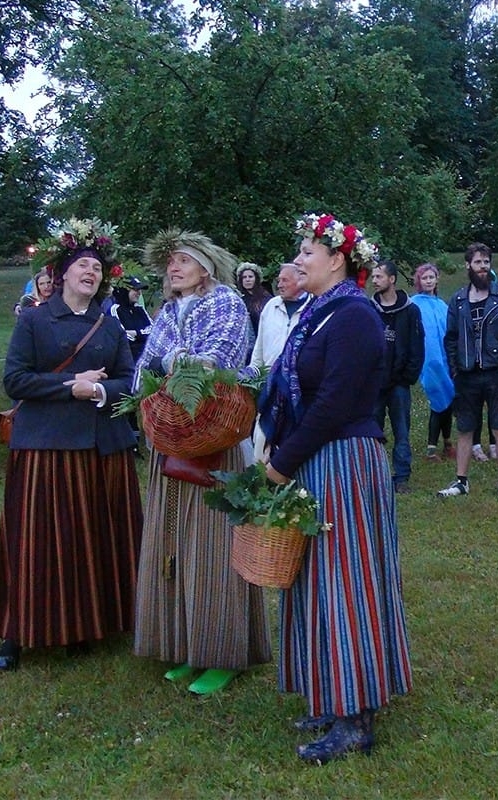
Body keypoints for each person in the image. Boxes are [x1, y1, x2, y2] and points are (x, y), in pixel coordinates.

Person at [260, 212, 411, 764]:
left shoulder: (355, 316)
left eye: (306, 252)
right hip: (317, 460)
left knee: (347, 582)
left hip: (345, 459)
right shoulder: (317, 314)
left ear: (337, 259)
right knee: (317, 580)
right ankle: (331, 693)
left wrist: (283, 462)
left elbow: (337, 403)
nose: (298, 260)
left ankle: (356, 717)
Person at [0, 218, 142, 671]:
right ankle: (19, 630)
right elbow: (14, 380)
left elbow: (127, 379)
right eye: (83, 266)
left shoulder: (108, 327)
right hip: (45, 447)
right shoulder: (35, 320)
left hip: (99, 447)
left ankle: (86, 624)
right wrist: (69, 386)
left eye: (96, 267)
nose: (90, 273)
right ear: (63, 274)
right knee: (35, 539)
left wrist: (97, 393)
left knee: (91, 538)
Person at [132, 229, 270, 695]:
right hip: (171, 437)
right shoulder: (168, 310)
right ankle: (184, 645)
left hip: (215, 438)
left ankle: (223, 653)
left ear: (206, 268)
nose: (174, 268)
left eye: (184, 261)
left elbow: (214, 364)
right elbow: (145, 369)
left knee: (213, 545)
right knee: (172, 540)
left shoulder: (227, 303)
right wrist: (152, 386)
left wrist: (170, 361)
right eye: (170, 262)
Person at [437, 243, 498, 501]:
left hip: (496, 373)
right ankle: (461, 481)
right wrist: (455, 369)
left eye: (486, 262)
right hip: (466, 374)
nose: (483, 267)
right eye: (478, 262)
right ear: (468, 266)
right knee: (465, 428)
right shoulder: (459, 300)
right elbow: (450, 338)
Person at [369, 260, 424, 494]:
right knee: (373, 431)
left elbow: (416, 346)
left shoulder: (410, 311)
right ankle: (375, 475)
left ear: (392, 279)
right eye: (374, 276)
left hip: (399, 383)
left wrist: (407, 377)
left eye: (379, 276)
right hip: (374, 383)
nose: (375, 281)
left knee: (402, 430)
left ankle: (401, 476)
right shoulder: (369, 309)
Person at [250, 263, 309, 461]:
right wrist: (253, 373)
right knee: (261, 441)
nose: (279, 284)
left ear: (300, 281)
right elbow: (259, 345)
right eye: (278, 280)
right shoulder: (271, 305)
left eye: (285, 280)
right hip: (268, 387)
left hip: (297, 390)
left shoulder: (312, 308)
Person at [409, 263, 455, 461]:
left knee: (449, 399)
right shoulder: (414, 304)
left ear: (437, 280)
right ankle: (431, 449)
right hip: (429, 360)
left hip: (446, 358)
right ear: (419, 281)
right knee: (438, 400)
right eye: (424, 278)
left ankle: (447, 443)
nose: (428, 281)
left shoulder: (442, 305)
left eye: (431, 277)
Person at [109, 276, 153, 364]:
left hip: (146, 356)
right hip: (127, 359)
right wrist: (143, 335)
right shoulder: (115, 310)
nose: (139, 293)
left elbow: (153, 331)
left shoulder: (139, 309)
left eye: (140, 290)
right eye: (135, 290)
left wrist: (137, 333)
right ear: (124, 290)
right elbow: (123, 336)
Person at [236, 262, 272, 339]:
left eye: (250, 277)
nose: (247, 280)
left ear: (256, 278)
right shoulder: (241, 301)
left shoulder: (266, 298)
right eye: (244, 277)